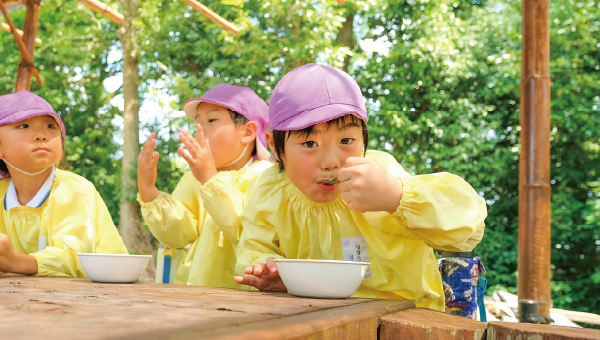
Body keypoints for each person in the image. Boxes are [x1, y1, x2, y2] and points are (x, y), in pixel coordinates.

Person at [234, 64, 487, 310]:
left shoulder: (380, 176)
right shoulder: (270, 189)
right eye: (310, 143)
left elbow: (469, 226)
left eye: (346, 140)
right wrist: (272, 275)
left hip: (406, 320)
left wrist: (396, 197)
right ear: (277, 148)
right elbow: (253, 251)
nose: (331, 162)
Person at [138, 84, 273, 287]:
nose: (200, 131)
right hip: (196, 290)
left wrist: (210, 179)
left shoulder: (265, 177)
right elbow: (178, 233)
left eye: (211, 120)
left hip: (246, 296)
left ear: (247, 132)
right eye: (197, 123)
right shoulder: (195, 178)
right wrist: (148, 190)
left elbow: (244, 229)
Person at [0, 90, 127, 277]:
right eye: (24, 126)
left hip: (104, 298)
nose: (41, 135)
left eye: (51, 126)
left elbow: (73, 256)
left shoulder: (73, 190)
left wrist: (16, 262)